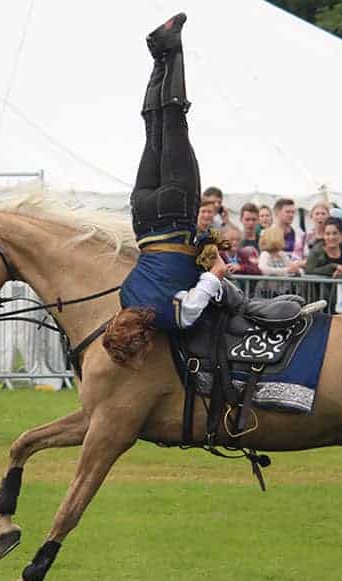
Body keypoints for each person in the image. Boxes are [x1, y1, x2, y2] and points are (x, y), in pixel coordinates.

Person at [110, 13, 228, 367]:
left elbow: (216, 274)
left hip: (175, 217)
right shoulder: (125, 296)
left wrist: (212, 254)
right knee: (153, 129)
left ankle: (172, 48)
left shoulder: (173, 317)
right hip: (143, 218)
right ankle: (158, 59)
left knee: (174, 121)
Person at [305, 218, 342, 311]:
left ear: (341, 235)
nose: (331, 237)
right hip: (319, 299)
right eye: (328, 234)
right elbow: (309, 271)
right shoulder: (316, 251)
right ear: (323, 235)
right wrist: (333, 268)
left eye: (335, 233)